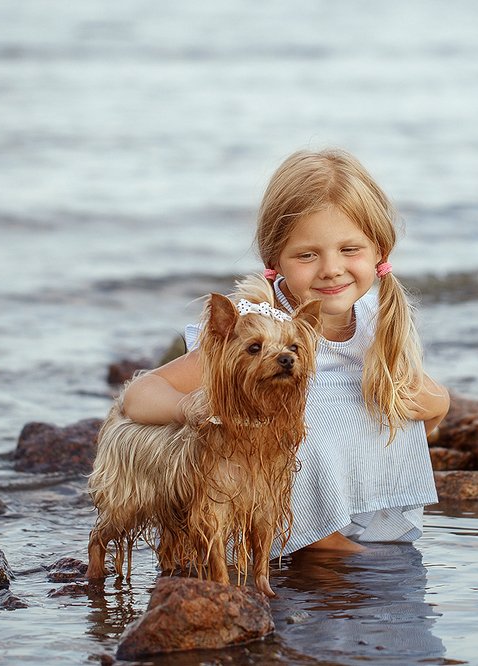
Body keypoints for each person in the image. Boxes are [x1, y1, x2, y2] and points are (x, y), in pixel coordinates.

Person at [122, 148, 449, 555]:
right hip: (285, 551)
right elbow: (139, 396)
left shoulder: (373, 323)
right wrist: (192, 408)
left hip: (376, 540)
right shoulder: (256, 333)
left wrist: (437, 402)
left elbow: (423, 416)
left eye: (350, 250)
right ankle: (323, 537)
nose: (331, 268)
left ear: (380, 251)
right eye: (307, 255)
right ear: (274, 259)